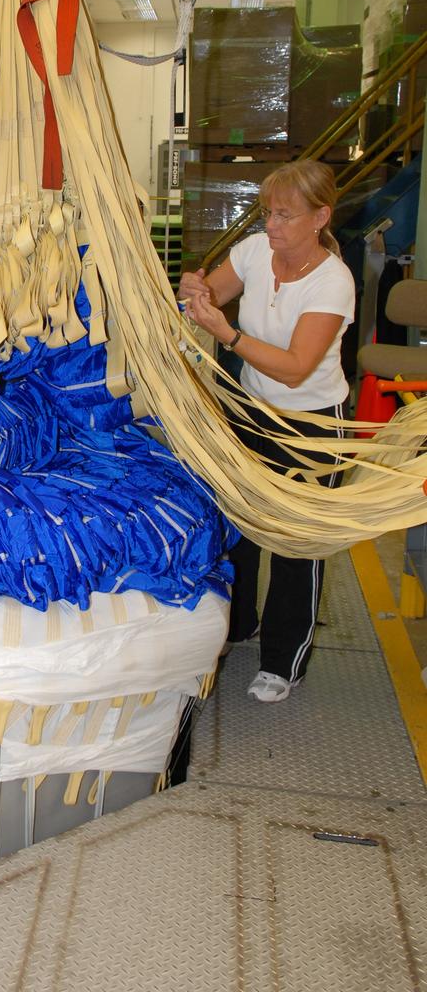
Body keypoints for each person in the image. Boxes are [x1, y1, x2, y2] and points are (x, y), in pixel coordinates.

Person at [178, 160, 354, 704]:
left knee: (297, 543)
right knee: (242, 525)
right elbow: (210, 291)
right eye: (267, 213)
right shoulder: (256, 252)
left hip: (312, 425)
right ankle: (239, 625)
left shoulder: (334, 281)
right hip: (251, 411)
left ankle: (284, 660)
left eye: (284, 215)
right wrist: (195, 291)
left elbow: (296, 366)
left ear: (320, 217)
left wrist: (225, 333)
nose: (271, 225)